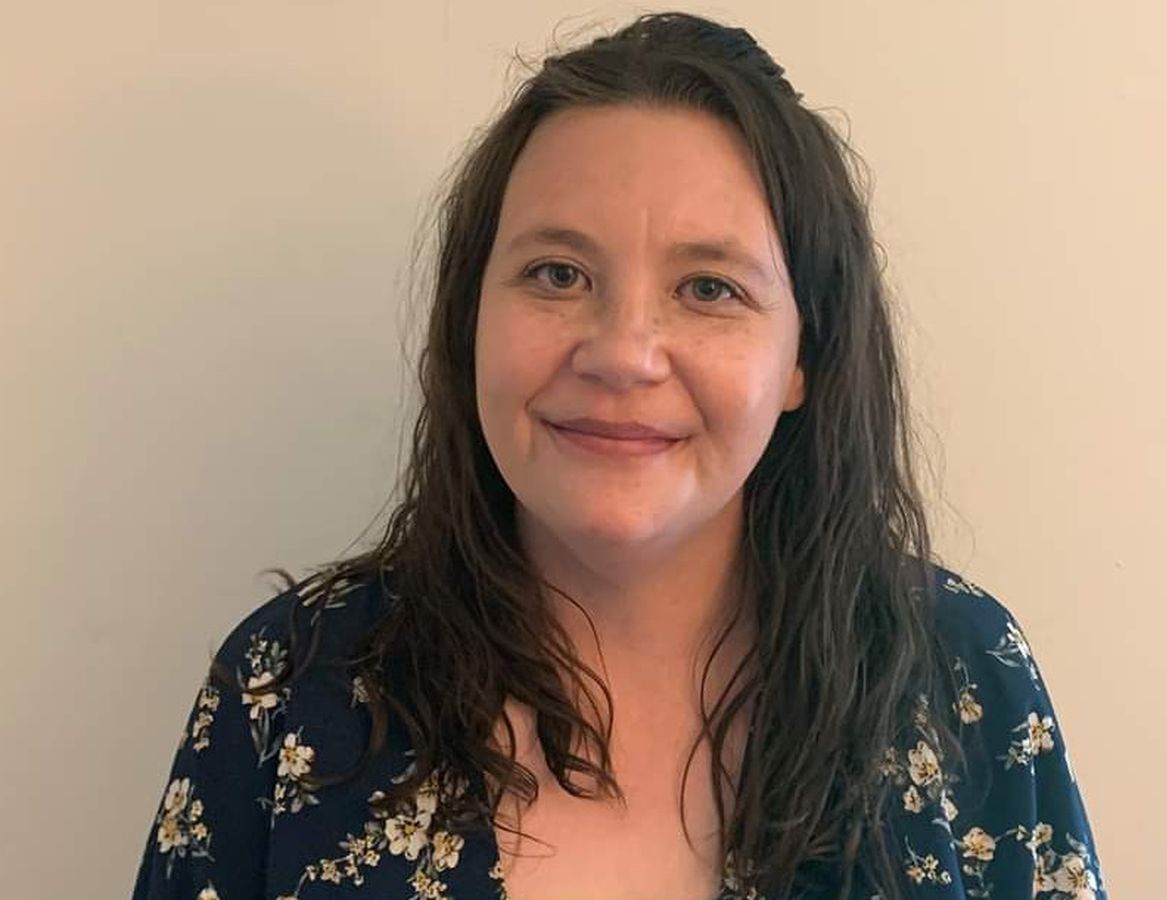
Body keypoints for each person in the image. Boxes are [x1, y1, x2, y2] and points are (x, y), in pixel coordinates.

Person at [131, 11, 1107, 900]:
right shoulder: (290, 689)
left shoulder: (963, 678)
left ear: (801, 357)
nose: (623, 354)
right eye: (558, 273)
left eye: (710, 288)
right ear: (472, 319)